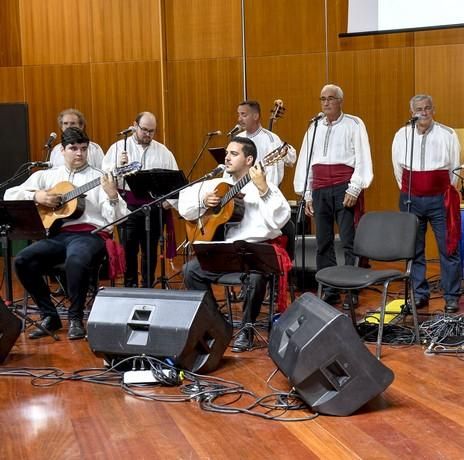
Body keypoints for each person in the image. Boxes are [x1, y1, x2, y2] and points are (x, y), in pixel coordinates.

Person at [4, 128, 128, 340]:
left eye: (83, 148)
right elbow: (9, 194)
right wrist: (38, 196)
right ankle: (50, 315)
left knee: (76, 259)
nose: (79, 153)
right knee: (23, 259)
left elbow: (118, 218)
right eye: (73, 148)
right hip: (58, 236)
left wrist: (113, 196)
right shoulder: (48, 176)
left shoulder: (100, 177)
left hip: (91, 235)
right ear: (62, 150)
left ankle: (75, 318)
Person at [180, 137, 291, 352]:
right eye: (227, 153)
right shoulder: (221, 185)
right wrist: (204, 202)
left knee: (257, 276)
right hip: (227, 251)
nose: (227, 157)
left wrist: (264, 190)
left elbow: (281, 218)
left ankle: (247, 330)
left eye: (234, 153)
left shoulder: (265, 186)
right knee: (190, 271)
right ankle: (217, 323)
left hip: (255, 251)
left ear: (249, 159)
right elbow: (184, 207)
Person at [293, 84, 373, 305]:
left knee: (349, 241)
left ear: (340, 101)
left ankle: (352, 289)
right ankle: (329, 288)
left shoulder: (354, 124)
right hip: (319, 189)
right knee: (323, 242)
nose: (326, 102)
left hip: (343, 187)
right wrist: (307, 193)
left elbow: (362, 157)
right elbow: (306, 161)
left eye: (330, 98)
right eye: (322, 99)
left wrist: (355, 187)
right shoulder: (314, 126)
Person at [392, 94, 462, 313]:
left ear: (434, 110)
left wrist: (438, 191)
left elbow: (455, 169)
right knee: (414, 249)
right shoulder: (402, 134)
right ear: (411, 112)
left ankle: (451, 296)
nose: (423, 112)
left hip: (439, 198)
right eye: (418, 109)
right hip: (411, 198)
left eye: (427, 108)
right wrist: (412, 190)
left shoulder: (448, 134)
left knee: (448, 247)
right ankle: (419, 294)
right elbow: (398, 168)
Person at [103, 111, 180, 288]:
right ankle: (130, 285)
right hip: (127, 206)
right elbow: (105, 177)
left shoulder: (163, 152)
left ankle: (148, 285)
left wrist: (169, 202)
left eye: (152, 131)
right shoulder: (117, 148)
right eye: (144, 129)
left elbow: (175, 180)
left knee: (150, 249)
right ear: (134, 126)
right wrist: (117, 167)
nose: (147, 134)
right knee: (128, 249)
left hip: (153, 207)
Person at [234, 100, 296, 185]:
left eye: (243, 115)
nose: (239, 119)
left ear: (255, 116)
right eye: (239, 114)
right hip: (239, 190)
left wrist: (266, 191)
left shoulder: (271, 139)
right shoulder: (238, 138)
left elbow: (273, 172)